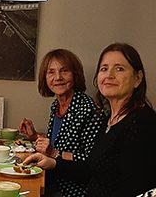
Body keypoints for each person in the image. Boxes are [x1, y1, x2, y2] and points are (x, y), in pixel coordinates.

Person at [23, 43, 156, 197]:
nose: (109, 75)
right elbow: (92, 169)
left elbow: (135, 189)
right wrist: (53, 162)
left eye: (119, 68)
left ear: (137, 78)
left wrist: (54, 154)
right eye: (104, 69)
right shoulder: (110, 121)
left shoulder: (141, 123)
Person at [18, 49, 104, 196]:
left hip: (73, 190)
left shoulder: (89, 109)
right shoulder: (56, 105)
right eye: (51, 72)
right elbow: (61, 142)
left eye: (64, 71)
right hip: (53, 180)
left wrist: (54, 153)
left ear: (75, 74)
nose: (57, 77)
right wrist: (35, 136)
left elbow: (91, 162)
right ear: (45, 78)